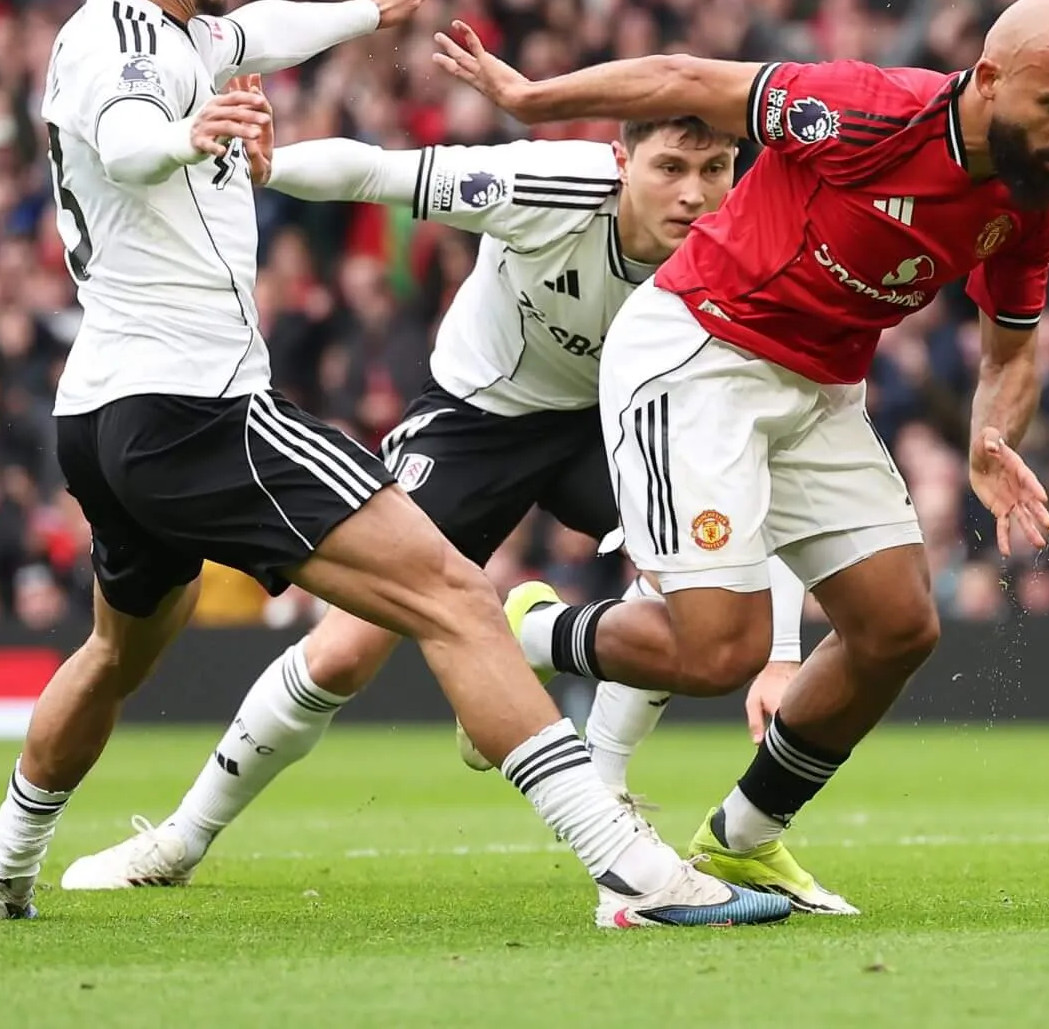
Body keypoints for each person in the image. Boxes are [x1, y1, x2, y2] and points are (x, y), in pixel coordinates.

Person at [0, 0, 788, 931]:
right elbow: (127, 133)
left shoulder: (178, 33)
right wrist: (186, 136)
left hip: (101, 414)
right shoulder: (119, 47)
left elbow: (262, 32)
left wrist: (366, 9)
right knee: (454, 596)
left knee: (113, 650)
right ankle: (637, 870)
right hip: (199, 407)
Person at [431, 0, 1049, 902]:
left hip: (818, 391)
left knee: (898, 628)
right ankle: (532, 633)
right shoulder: (870, 111)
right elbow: (684, 78)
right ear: (989, 79)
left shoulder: (1032, 198)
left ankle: (743, 840)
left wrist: (991, 438)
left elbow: (1011, 352)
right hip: (700, 355)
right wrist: (531, 98)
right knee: (719, 654)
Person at [58, 118, 835, 904]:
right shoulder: (550, 187)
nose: (695, 193)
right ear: (621, 162)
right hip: (478, 418)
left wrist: (779, 654)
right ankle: (182, 838)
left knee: (696, 586)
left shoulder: (751, 248)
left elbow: (759, 470)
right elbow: (377, 173)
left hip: (618, 425)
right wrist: (273, 166)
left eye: (715, 168)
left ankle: (605, 791)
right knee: (345, 652)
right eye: (670, 167)